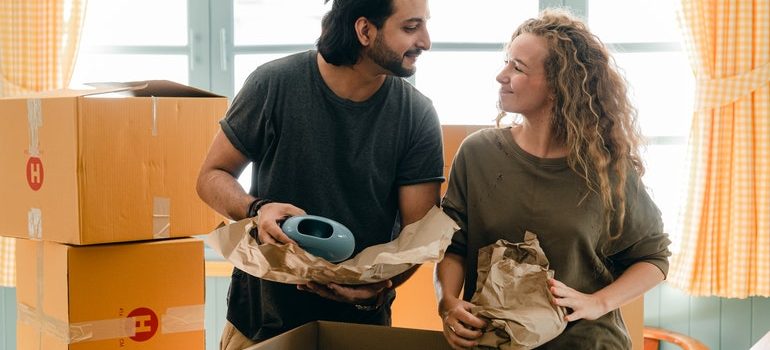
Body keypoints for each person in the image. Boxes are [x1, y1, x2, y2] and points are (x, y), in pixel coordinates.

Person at [196, 0, 443, 348]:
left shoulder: (417, 115)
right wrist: (258, 209)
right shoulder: (274, 84)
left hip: (360, 327)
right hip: (260, 323)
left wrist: (377, 289)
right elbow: (211, 176)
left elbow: (418, 234)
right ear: (365, 31)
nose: (426, 41)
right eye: (411, 27)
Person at [434, 9, 671, 349]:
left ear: (560, 86)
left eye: (517, 67)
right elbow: (452, 246)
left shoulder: (607, 168)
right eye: (506, 62)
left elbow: (654, 258)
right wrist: (447, 303)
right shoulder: (477, 154)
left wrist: (598, 302)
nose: (501, 75)